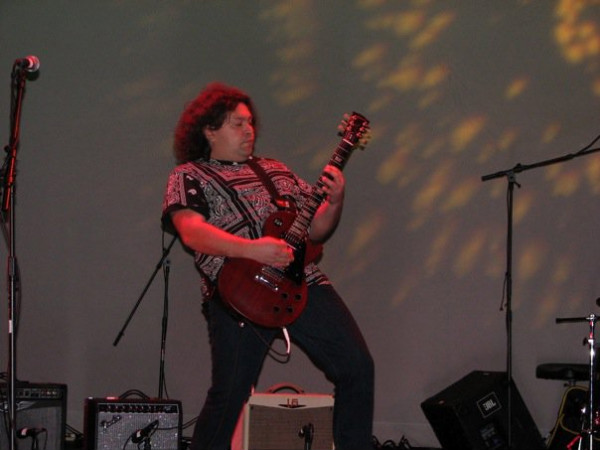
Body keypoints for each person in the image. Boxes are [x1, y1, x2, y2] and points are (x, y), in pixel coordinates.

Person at [162, 82, 374, 450]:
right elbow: (191, 231)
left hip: (302, 283)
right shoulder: (189, 175)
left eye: (250, 123)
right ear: (209, 130)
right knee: (230, 393)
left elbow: (315, 229)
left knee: (357, 367)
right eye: (237, 124)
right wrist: (252, 250)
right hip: (237, 292)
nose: (249, 131)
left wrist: (336, 201)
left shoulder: (275, 170)